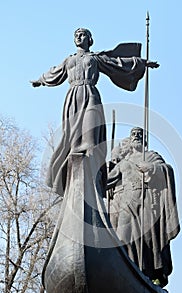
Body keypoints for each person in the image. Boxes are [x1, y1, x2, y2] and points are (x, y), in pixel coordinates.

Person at [31, 28, 159, 197]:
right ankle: (73, 168)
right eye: (76, 35)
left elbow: (118, 62)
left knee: (90, 139)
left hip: (90, 95)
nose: (78, 36)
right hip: (73, 98)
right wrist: (40, 80)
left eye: (82, 34)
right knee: (71, 138)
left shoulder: (95, 58)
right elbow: (54, 72)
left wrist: (142, 62)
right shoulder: (69, 60)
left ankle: (92, 171)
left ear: (89, 39)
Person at [107, 127, 180, 287]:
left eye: (140, 135)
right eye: (133, 134)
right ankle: (126, 272)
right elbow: (106, 182)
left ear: (144, 141)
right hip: (127, 204)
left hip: (146, 203)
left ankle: (145, 274)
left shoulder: (152, 157)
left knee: (146, 240)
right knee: (122, 239)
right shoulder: (123, 163)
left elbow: (167, 170)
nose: (136, 136)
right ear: (130, 141)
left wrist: (152, 168)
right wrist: (105, 168)